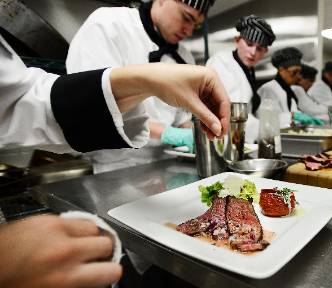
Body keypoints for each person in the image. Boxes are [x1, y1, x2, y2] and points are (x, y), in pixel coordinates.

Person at [0, 34, 229, 288]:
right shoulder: (108, 26)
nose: (189, 27)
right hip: (116, 171)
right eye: (186, 16)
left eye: (196, 22)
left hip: (165, 170)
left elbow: (27, 100)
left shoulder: (183, 54)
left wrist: (148, 81)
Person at [66, 0, 216, 173]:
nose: (189, 31)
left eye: (196, 26)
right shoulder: (108, 25)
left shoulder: (185, 57)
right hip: (114, 168)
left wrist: (195, 136)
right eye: (186, 17)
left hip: (167, 166)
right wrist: (168, 133)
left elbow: (181, 118)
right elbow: (94, 107)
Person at [206, 14, 276, 143]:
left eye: (259, 49)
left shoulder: (248, 69)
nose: (253, 52)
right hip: (221, 140)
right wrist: (266, 130)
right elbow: (231, 111)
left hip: (239, 138)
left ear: (265, 52)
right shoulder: (221, 62)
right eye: (249, 44)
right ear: (237, 40)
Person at [257, 47, 324, 128]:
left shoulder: (289, 91)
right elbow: (268, 120)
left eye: (299, 72)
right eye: (294, 72)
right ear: (281, 70)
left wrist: (302, 118)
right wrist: (293, 116)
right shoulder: (268, 89)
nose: (298, 76)